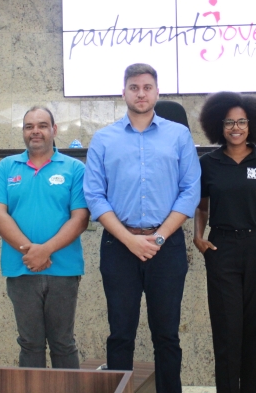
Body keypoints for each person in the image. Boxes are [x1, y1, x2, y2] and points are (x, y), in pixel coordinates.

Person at [84, 63, 201, 393]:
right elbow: (94, 195)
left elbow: (190, 191)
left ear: (157, 92)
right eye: (134, 87)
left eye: (147, 87)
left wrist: (158, 237)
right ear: (123, 92)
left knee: (167, 335)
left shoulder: (178, 135)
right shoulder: (104, 139)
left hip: (167, 246)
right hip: (119, 245)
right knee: (120, 333)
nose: (141, 93)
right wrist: (129, 240)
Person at [193, 91, 256, 393]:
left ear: (251, 124)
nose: (236, 128)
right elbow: (202, 207)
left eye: (242, 122)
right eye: (229, 122)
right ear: (219, 126)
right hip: (222, 248)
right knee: (226, 328)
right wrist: (198, 236)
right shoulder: (209, 163)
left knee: (252, 327)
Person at [0, 106, 89, 368]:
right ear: (23, 132)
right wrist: (30, 251)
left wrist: (45, 250)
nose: (35, 131)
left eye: (42, 125)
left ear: (54, 130)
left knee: (63, 343)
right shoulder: (6, 167)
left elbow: (80, 218)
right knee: (30, 343)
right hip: (21, 269)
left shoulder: (74, 168)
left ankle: (67, 388)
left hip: (63, 269)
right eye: (29, 126)